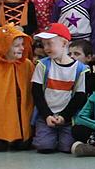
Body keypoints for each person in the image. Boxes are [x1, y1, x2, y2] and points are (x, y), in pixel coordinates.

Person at [31, 23, 88, 154]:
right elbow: (37, 93)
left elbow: (79, 97)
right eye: (43, 44)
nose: (46, 48)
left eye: (49, 43)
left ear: (63, 43)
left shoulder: (79, 69)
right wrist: (47, 115)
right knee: (44, 146)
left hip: (67, 118)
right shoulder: (43, 65)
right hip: (47, 116)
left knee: (67, 148)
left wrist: (63, 116)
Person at [0, 24, 35, 152]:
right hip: (1, 118)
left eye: (22, 45)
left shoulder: (27, 65)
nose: (22, 48)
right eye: (16, 46)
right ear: (5, 47)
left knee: (23, 146)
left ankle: (20, 135)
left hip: (21, 117)